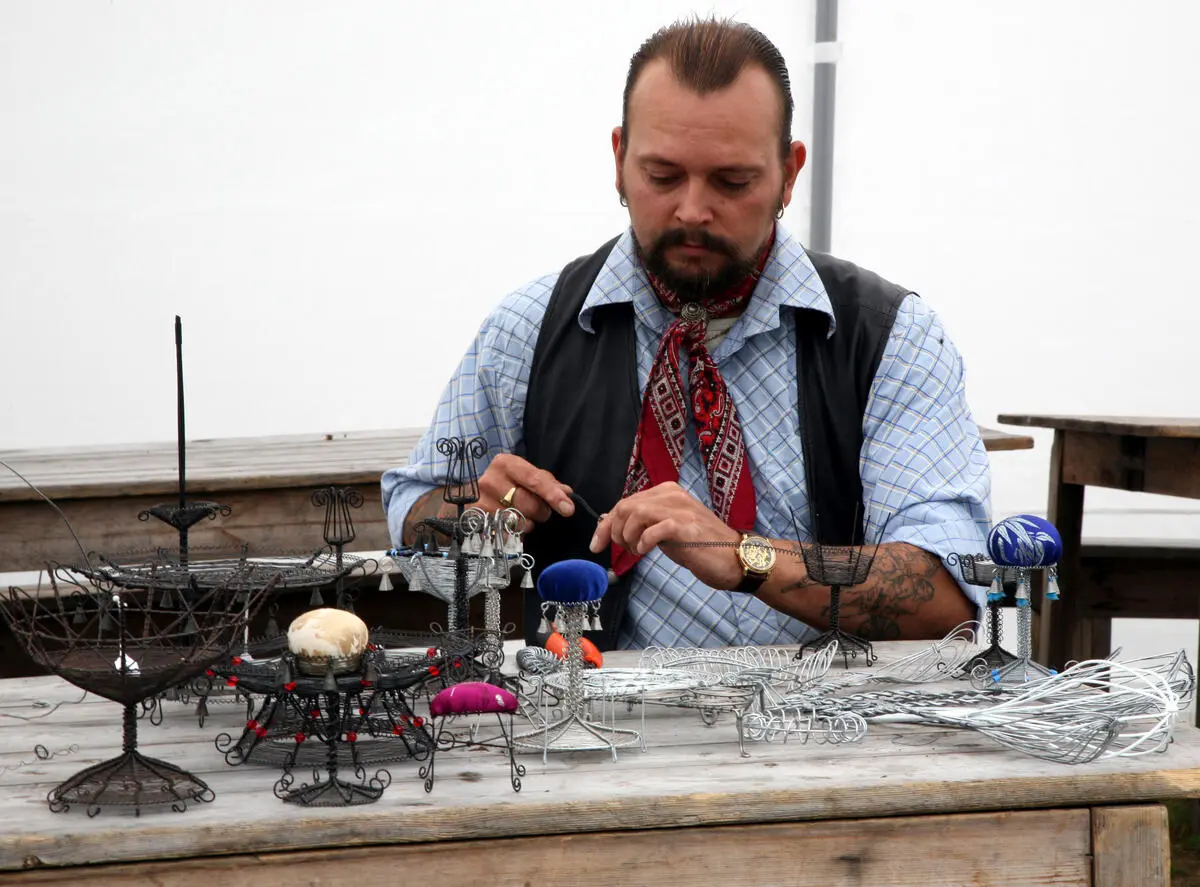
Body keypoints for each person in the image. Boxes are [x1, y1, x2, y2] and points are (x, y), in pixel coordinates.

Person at [382, 16, 991, 650]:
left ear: (790, 172)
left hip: (842, 730)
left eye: (733, 182)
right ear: (618, 161)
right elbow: (416, 519)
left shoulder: (889, 337)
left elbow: (945, 596)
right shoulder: (530, 329)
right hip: (590, 727)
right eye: (663, 176)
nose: (693, 210)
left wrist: (745, 557)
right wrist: (466, 518)